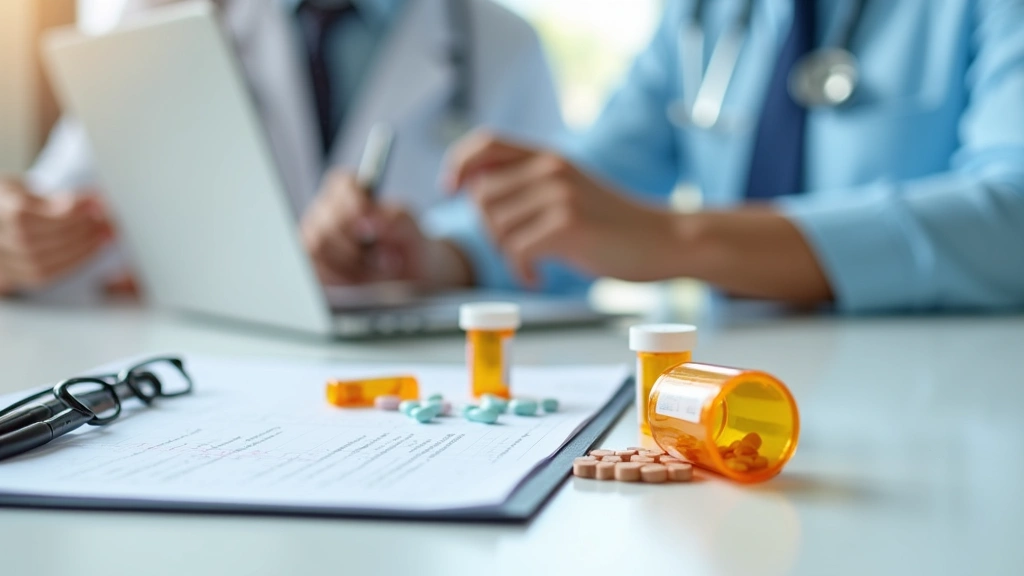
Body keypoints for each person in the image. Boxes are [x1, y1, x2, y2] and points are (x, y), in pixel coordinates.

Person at [301, 0, 1024, 311]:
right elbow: (584, 193)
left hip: (953, 412)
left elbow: (1011, 215)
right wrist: (429, 255)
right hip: (745, 409)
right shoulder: (703, 13)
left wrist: (682, 238)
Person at [0, 0, 563, 301]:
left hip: (411, 394)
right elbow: (52, 209)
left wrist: (439, 259)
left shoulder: (501, 44)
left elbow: (560, 258)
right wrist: (15, 240)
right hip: (209, 389)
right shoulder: (162, 19)